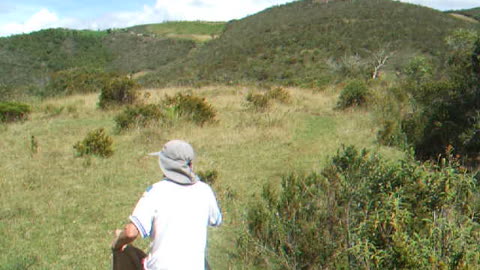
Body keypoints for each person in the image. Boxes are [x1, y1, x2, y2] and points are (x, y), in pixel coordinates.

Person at [112, 139, 222, 270]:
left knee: (124, 250)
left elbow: (130, 233)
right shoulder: (205, 190)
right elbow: (216, 220)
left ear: (164, 164)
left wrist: (117, 243)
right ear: (190, 165)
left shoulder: (155, 192)